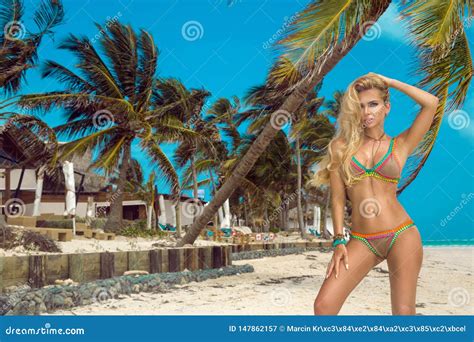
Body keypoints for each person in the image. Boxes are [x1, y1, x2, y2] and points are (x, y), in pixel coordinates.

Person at [311, 72, 439, 315]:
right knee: (324, 307)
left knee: (403, 314)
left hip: (402, 235)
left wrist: (389, 82)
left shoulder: (401, 144)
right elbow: (337, 199)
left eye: (374, 104)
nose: (367, 112)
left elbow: (431, 103)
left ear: (386, 107)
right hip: (362, 239)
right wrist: (339, 240)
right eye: (360, 106)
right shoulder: (340, 147)